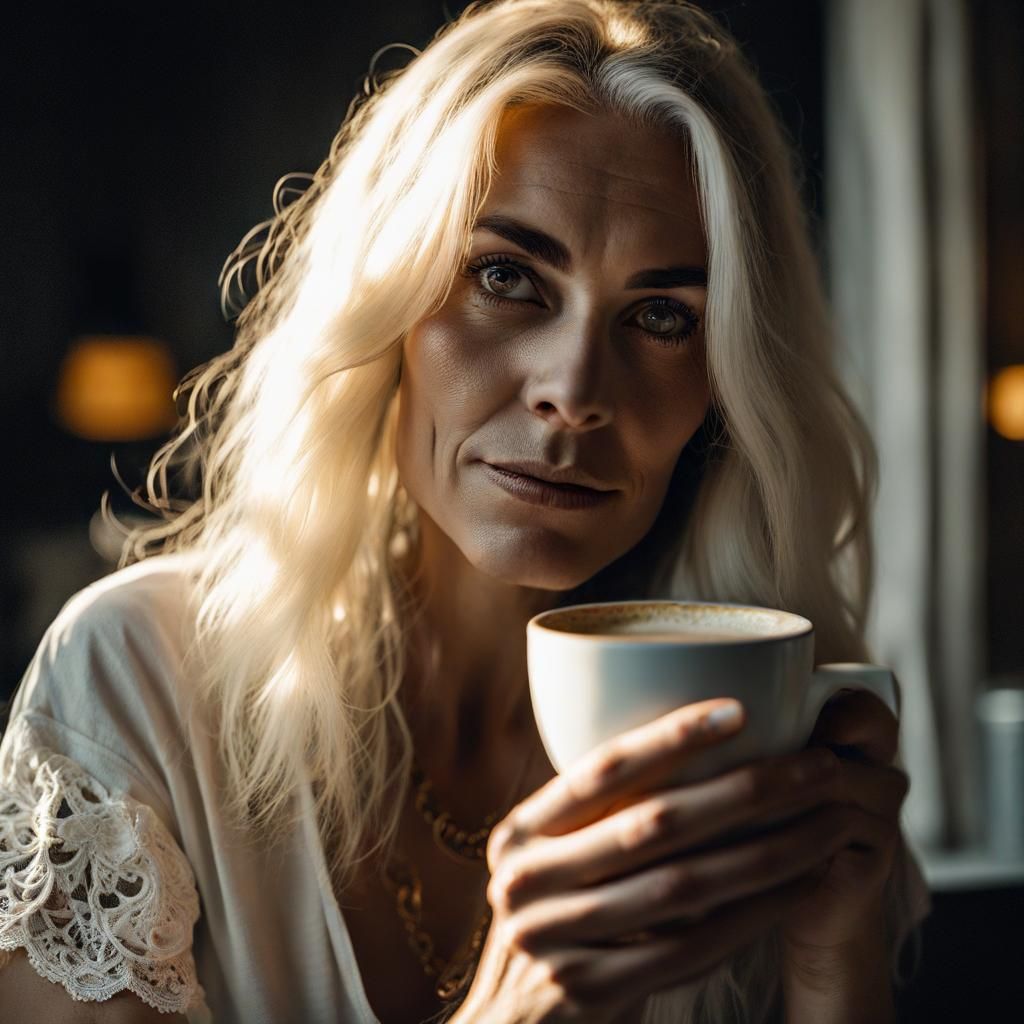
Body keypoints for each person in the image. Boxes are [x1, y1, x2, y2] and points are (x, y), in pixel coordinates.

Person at [0, 1, 931, 1022]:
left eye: (663, 316)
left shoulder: (764, 729)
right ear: (390, 306)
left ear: (724, 386)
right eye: (506, 276)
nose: (574, 389)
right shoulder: (138, 681)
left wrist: (831, 960)